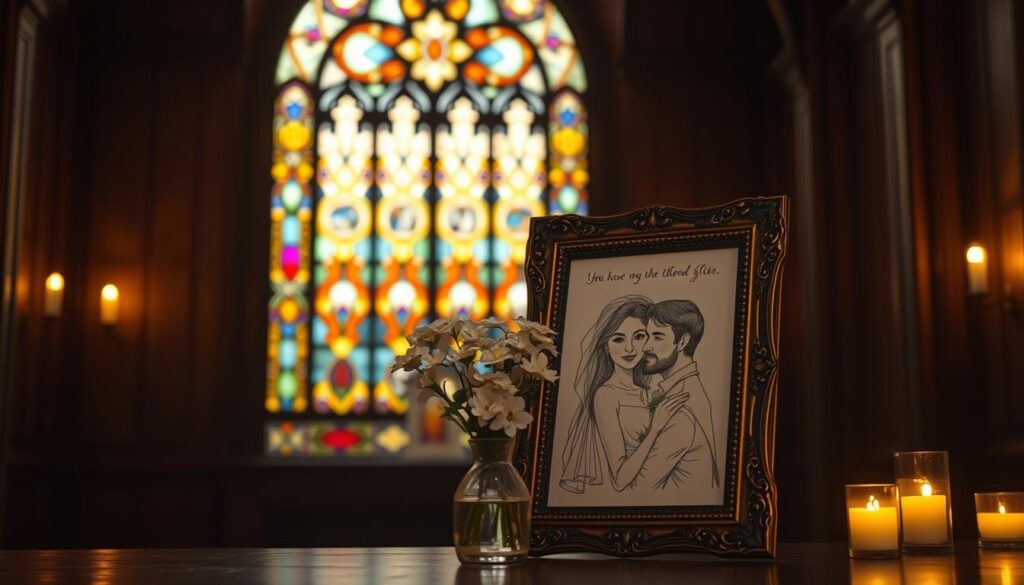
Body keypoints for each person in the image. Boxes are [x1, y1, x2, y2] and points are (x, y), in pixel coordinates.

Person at [558, 295, 692, 494]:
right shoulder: (606, 395)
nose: (629, 348)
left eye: (639, 336)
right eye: (618, 339)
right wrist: (655, 428)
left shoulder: (649, 390)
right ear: (605, 345)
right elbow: (619, 480)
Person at [640, 299, 720, 490]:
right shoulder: (682, 388)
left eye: (657, 337)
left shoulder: (679, 404)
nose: (645, 347)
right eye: (646, 336)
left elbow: (638, 489)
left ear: (682, 341)